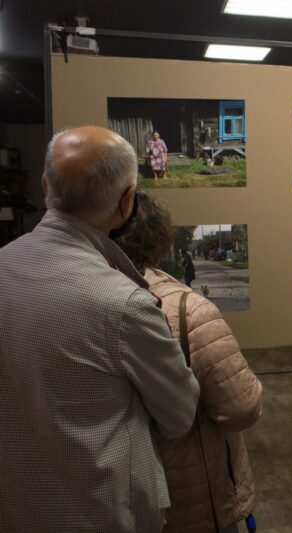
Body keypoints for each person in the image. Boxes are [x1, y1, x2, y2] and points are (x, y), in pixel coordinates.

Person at [0, 126, 200, 531]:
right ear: (127, 203)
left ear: (45, 185)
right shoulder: (125, 304)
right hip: (99, 515)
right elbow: (179, 416)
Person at [116, 191, 263, 533]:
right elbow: (241, 407)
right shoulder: (189, 310)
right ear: (158, 239)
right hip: (191, 501)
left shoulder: (81, 301)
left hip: (120, 499)